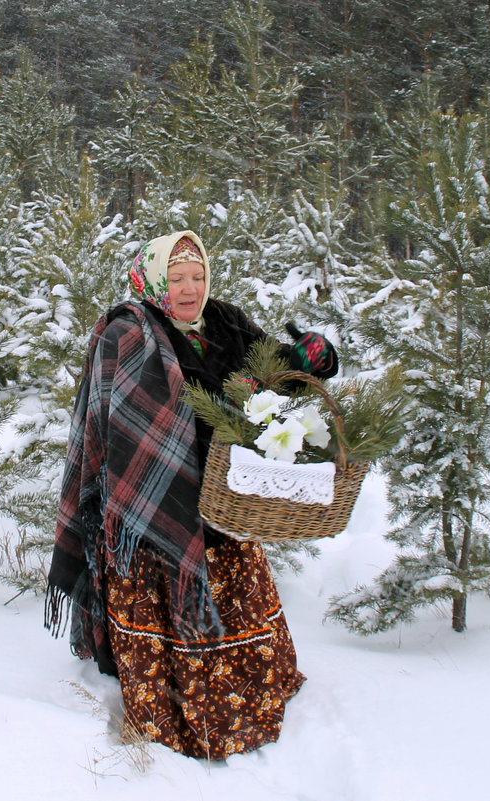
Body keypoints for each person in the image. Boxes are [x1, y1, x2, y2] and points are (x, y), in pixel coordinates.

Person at [45, 230, 338, 760]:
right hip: (152, 504)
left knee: (236, 596)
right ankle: (171, 705)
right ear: (153, 280)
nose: (189, 289)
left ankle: (250, 689)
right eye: (177, 278)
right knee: (165, 600)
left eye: (198, 277)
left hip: (225, 496)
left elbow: (270, 377)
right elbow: (126, 427)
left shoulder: (225, 322)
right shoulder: (129, 334)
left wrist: (307, 359)